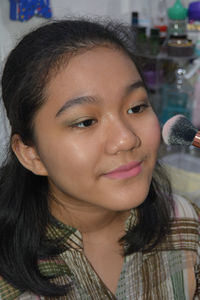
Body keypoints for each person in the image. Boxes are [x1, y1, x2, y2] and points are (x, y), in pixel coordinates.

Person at [0, 18, 199, 300]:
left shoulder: (186, 222)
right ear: (31, 154)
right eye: (85, 122)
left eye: (137, 107)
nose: (127, 139)